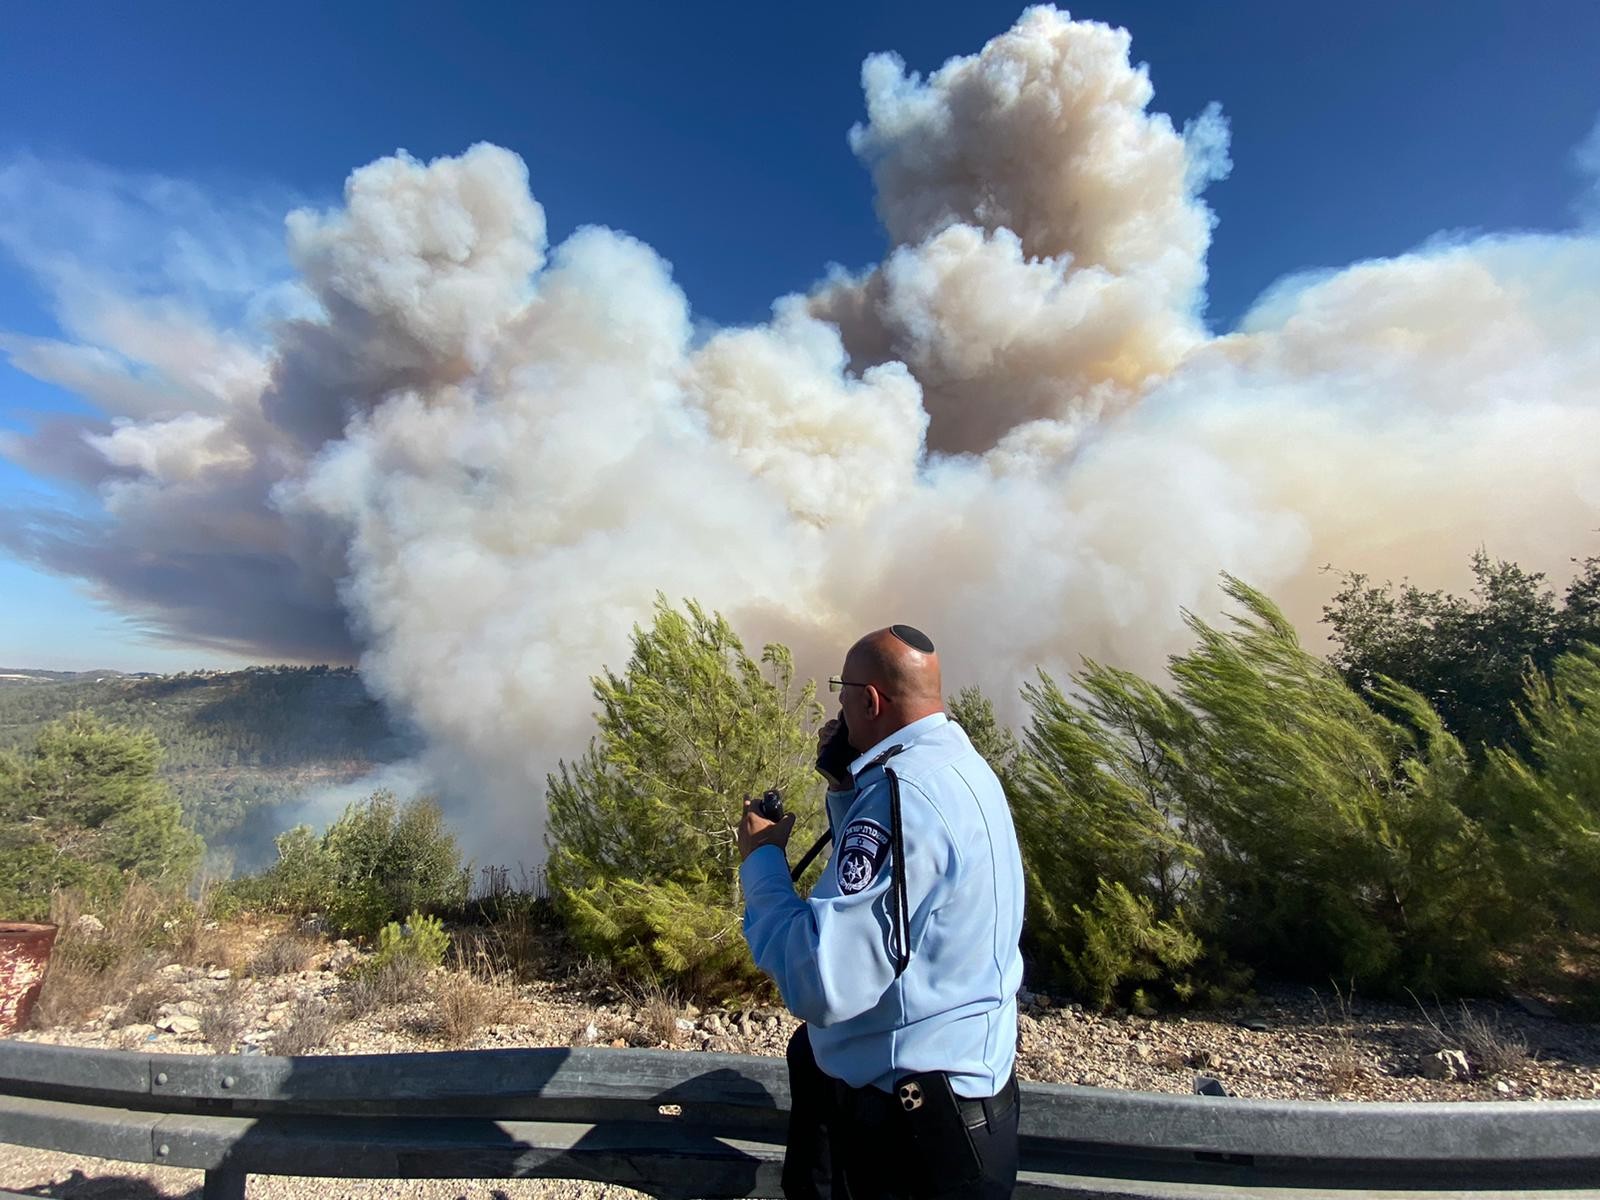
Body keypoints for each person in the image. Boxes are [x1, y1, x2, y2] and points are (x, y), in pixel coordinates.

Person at [737, 624, 1025, 1200]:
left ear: (869, 700)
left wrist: (762, 861)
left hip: (910, 1140)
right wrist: (849, 789)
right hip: (969, 1113)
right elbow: (901, 892)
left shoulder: (900, 799)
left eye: (842, 692)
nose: (836, 707)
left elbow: (823, 982)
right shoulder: (961, 766)